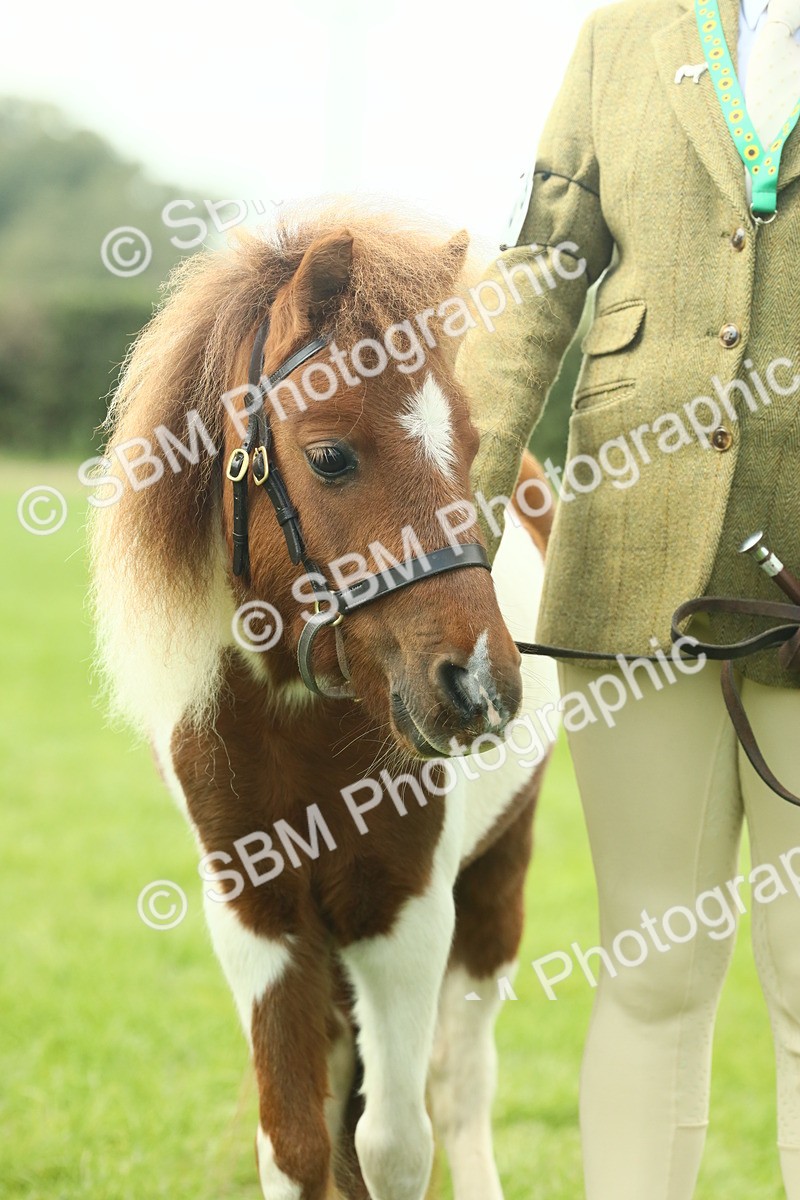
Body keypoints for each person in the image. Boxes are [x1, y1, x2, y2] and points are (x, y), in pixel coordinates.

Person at [457, 0, 800, 1196]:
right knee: (651, 972)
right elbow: (539, 272)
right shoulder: (623, 32)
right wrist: (462, 508)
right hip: (632, 567)